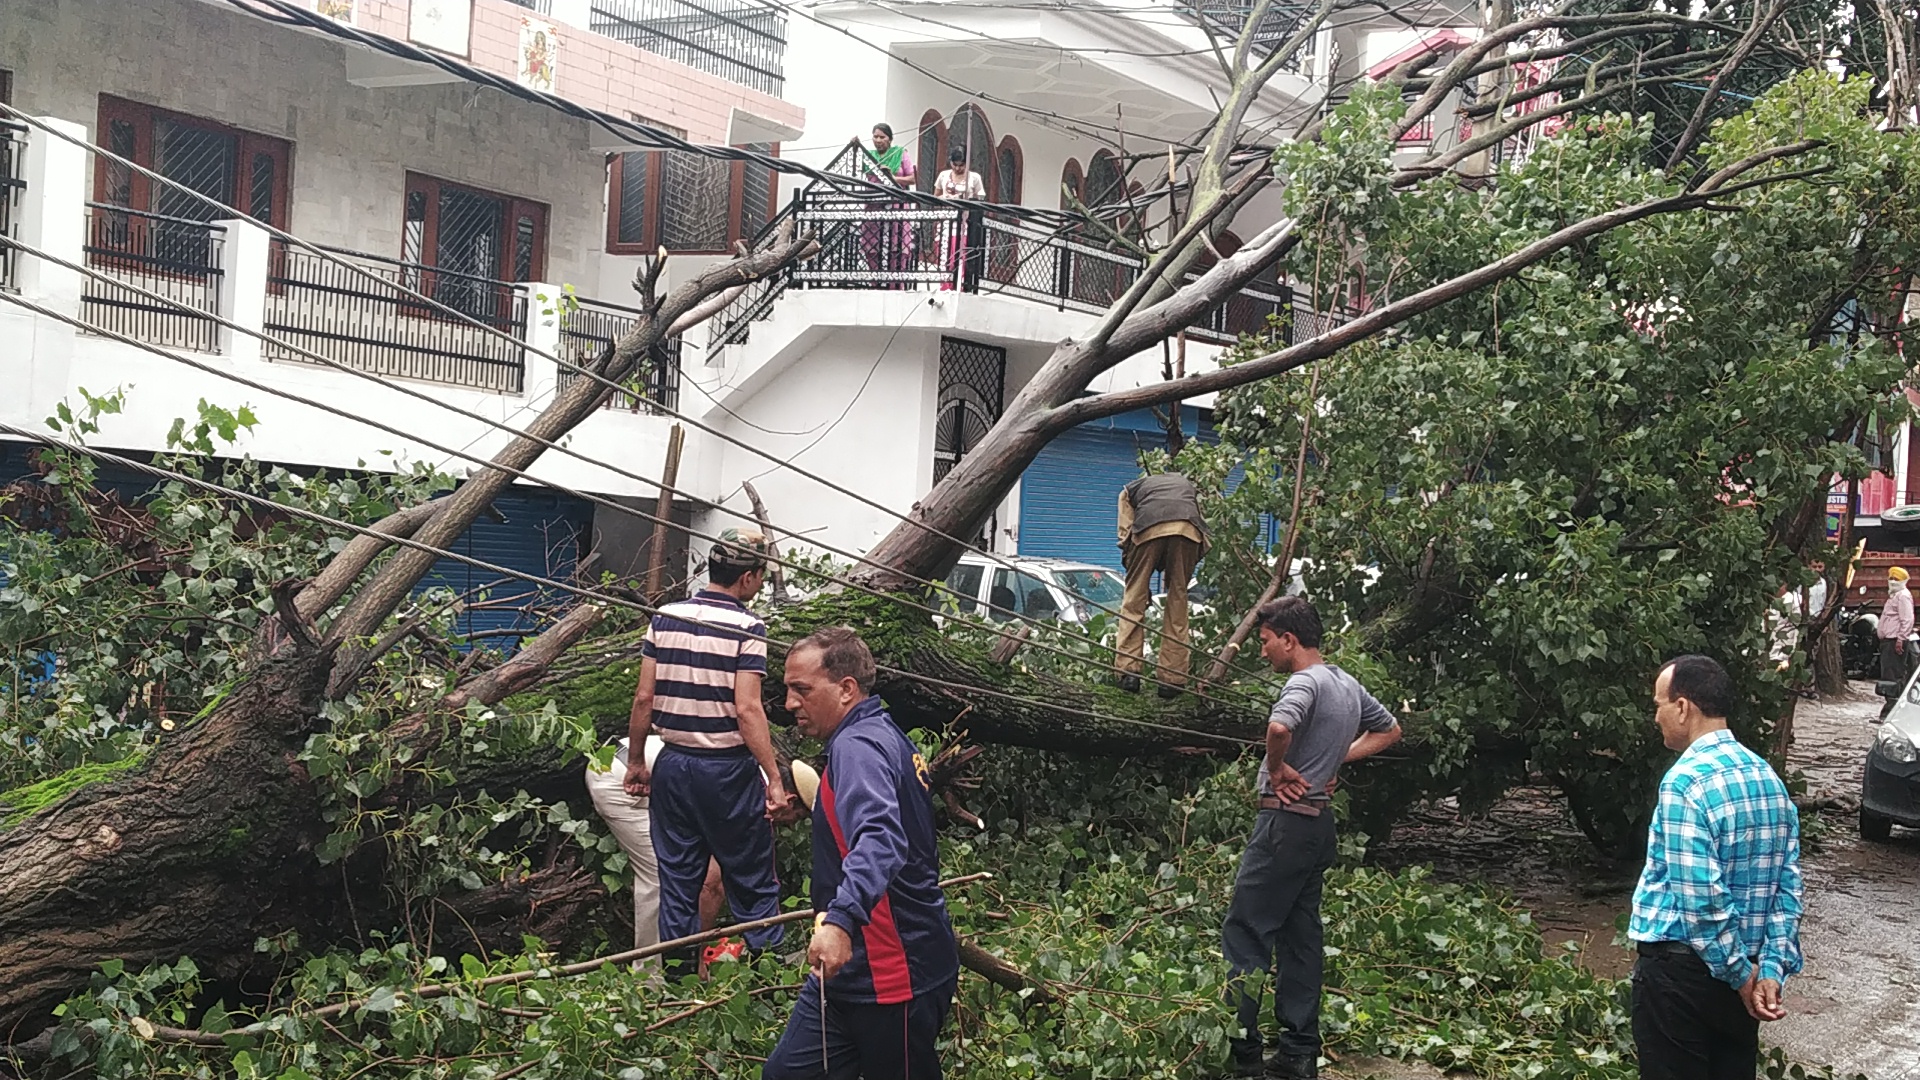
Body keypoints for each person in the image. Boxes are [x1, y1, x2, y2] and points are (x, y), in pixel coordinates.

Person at [763, 627, 958, 1080]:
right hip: (848, 973)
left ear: (846, 688)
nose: (790, 702)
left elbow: (882, 840)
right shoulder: (880, 734)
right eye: (788, 689)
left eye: (802, 689)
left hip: (893, 973)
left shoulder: (858, 748)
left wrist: (840, 921)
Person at [1221, 597, 1402, 1080]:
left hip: (1284, 825)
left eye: (1265, 643)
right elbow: (1390, 729)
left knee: (1247, 932)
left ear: (1289, 640)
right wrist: (1334, 761)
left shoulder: (1303, 681)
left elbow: (1279, 726)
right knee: (1301, 938)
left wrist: (1278, 768)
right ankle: (1299, 1053)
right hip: (1318, 827)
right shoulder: (1345, 682)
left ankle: (1244, 1056)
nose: (1263, 653)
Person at [622, 529, 797, 972]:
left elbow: (644, 698)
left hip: (673, 764)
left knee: (679, 881)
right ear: (750, 578)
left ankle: (679, 989)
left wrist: (639, 760)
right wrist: (774, 778)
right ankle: (768, 981)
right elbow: (747, 708)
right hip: (727, 771)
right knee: (752, 877)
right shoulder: (747, 627)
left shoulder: (664, 617)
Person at [1629, 655, 1803, 1080]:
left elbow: (1702, 901)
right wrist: (1771, 971)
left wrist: (1742, 976)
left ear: (1684, 707)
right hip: (1744, 980)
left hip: (1682, 980)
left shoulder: (1685, 782)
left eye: (1659, 705)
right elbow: (1788, 887)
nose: (1656, 717)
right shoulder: (1768, 779)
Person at [583, 735, 730, 960]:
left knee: (680, 870)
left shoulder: (753, 777)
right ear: (788, 799)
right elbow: (712, 885)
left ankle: (673, 964)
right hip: (619, 777)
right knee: (665, 878)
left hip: (639, 768)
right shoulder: (751, 797)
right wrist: (699, 953)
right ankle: (655, 977)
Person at [1115, 469, 1208, 696]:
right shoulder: (1187, 486)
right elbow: (1200, 527)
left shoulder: (1131, 489)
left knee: (1133, 601)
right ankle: (1173, 679)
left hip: (1148, 529)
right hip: (1188, 531)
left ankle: (1129, 672)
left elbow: (1125, 534)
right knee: (1178, 601)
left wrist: (1135, 572)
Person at [861, 123, 916, 283]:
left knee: (896, 246)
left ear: (890, 139)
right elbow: (853, 168)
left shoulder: (900, 154)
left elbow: (912, 178)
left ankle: (894, 284)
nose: (878, 140)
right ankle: (875, 283)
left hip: (896, 207)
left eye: (882, 137)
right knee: (872, 246)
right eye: (875, 137)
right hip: (874, 206)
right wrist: (855, 145)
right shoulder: (869, 156)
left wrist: (891, 177)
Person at [932, 147, 986, 291]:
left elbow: (980, 199)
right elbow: (935, 196)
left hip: (963, 224)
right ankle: (945, 286)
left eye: (961, 165)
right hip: (945, 222)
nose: (957, 168)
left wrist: (965, 200)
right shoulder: (944, 176)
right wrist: (944, 199)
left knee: (960, 255)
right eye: (954, 164)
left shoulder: (974, 178)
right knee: (944, 257)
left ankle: (959, 286)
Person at [1879, 565, 1913, 685]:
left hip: (1895, 640)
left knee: (1893, 674)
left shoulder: (1903, 596)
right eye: (1891, 578)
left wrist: (1901, 639)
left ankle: (1893, 700)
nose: (1893, 581)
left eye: (1896, 579)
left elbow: (1907, 619)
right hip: (1888, 640)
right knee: (1887, 672)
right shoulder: (1894, 595)